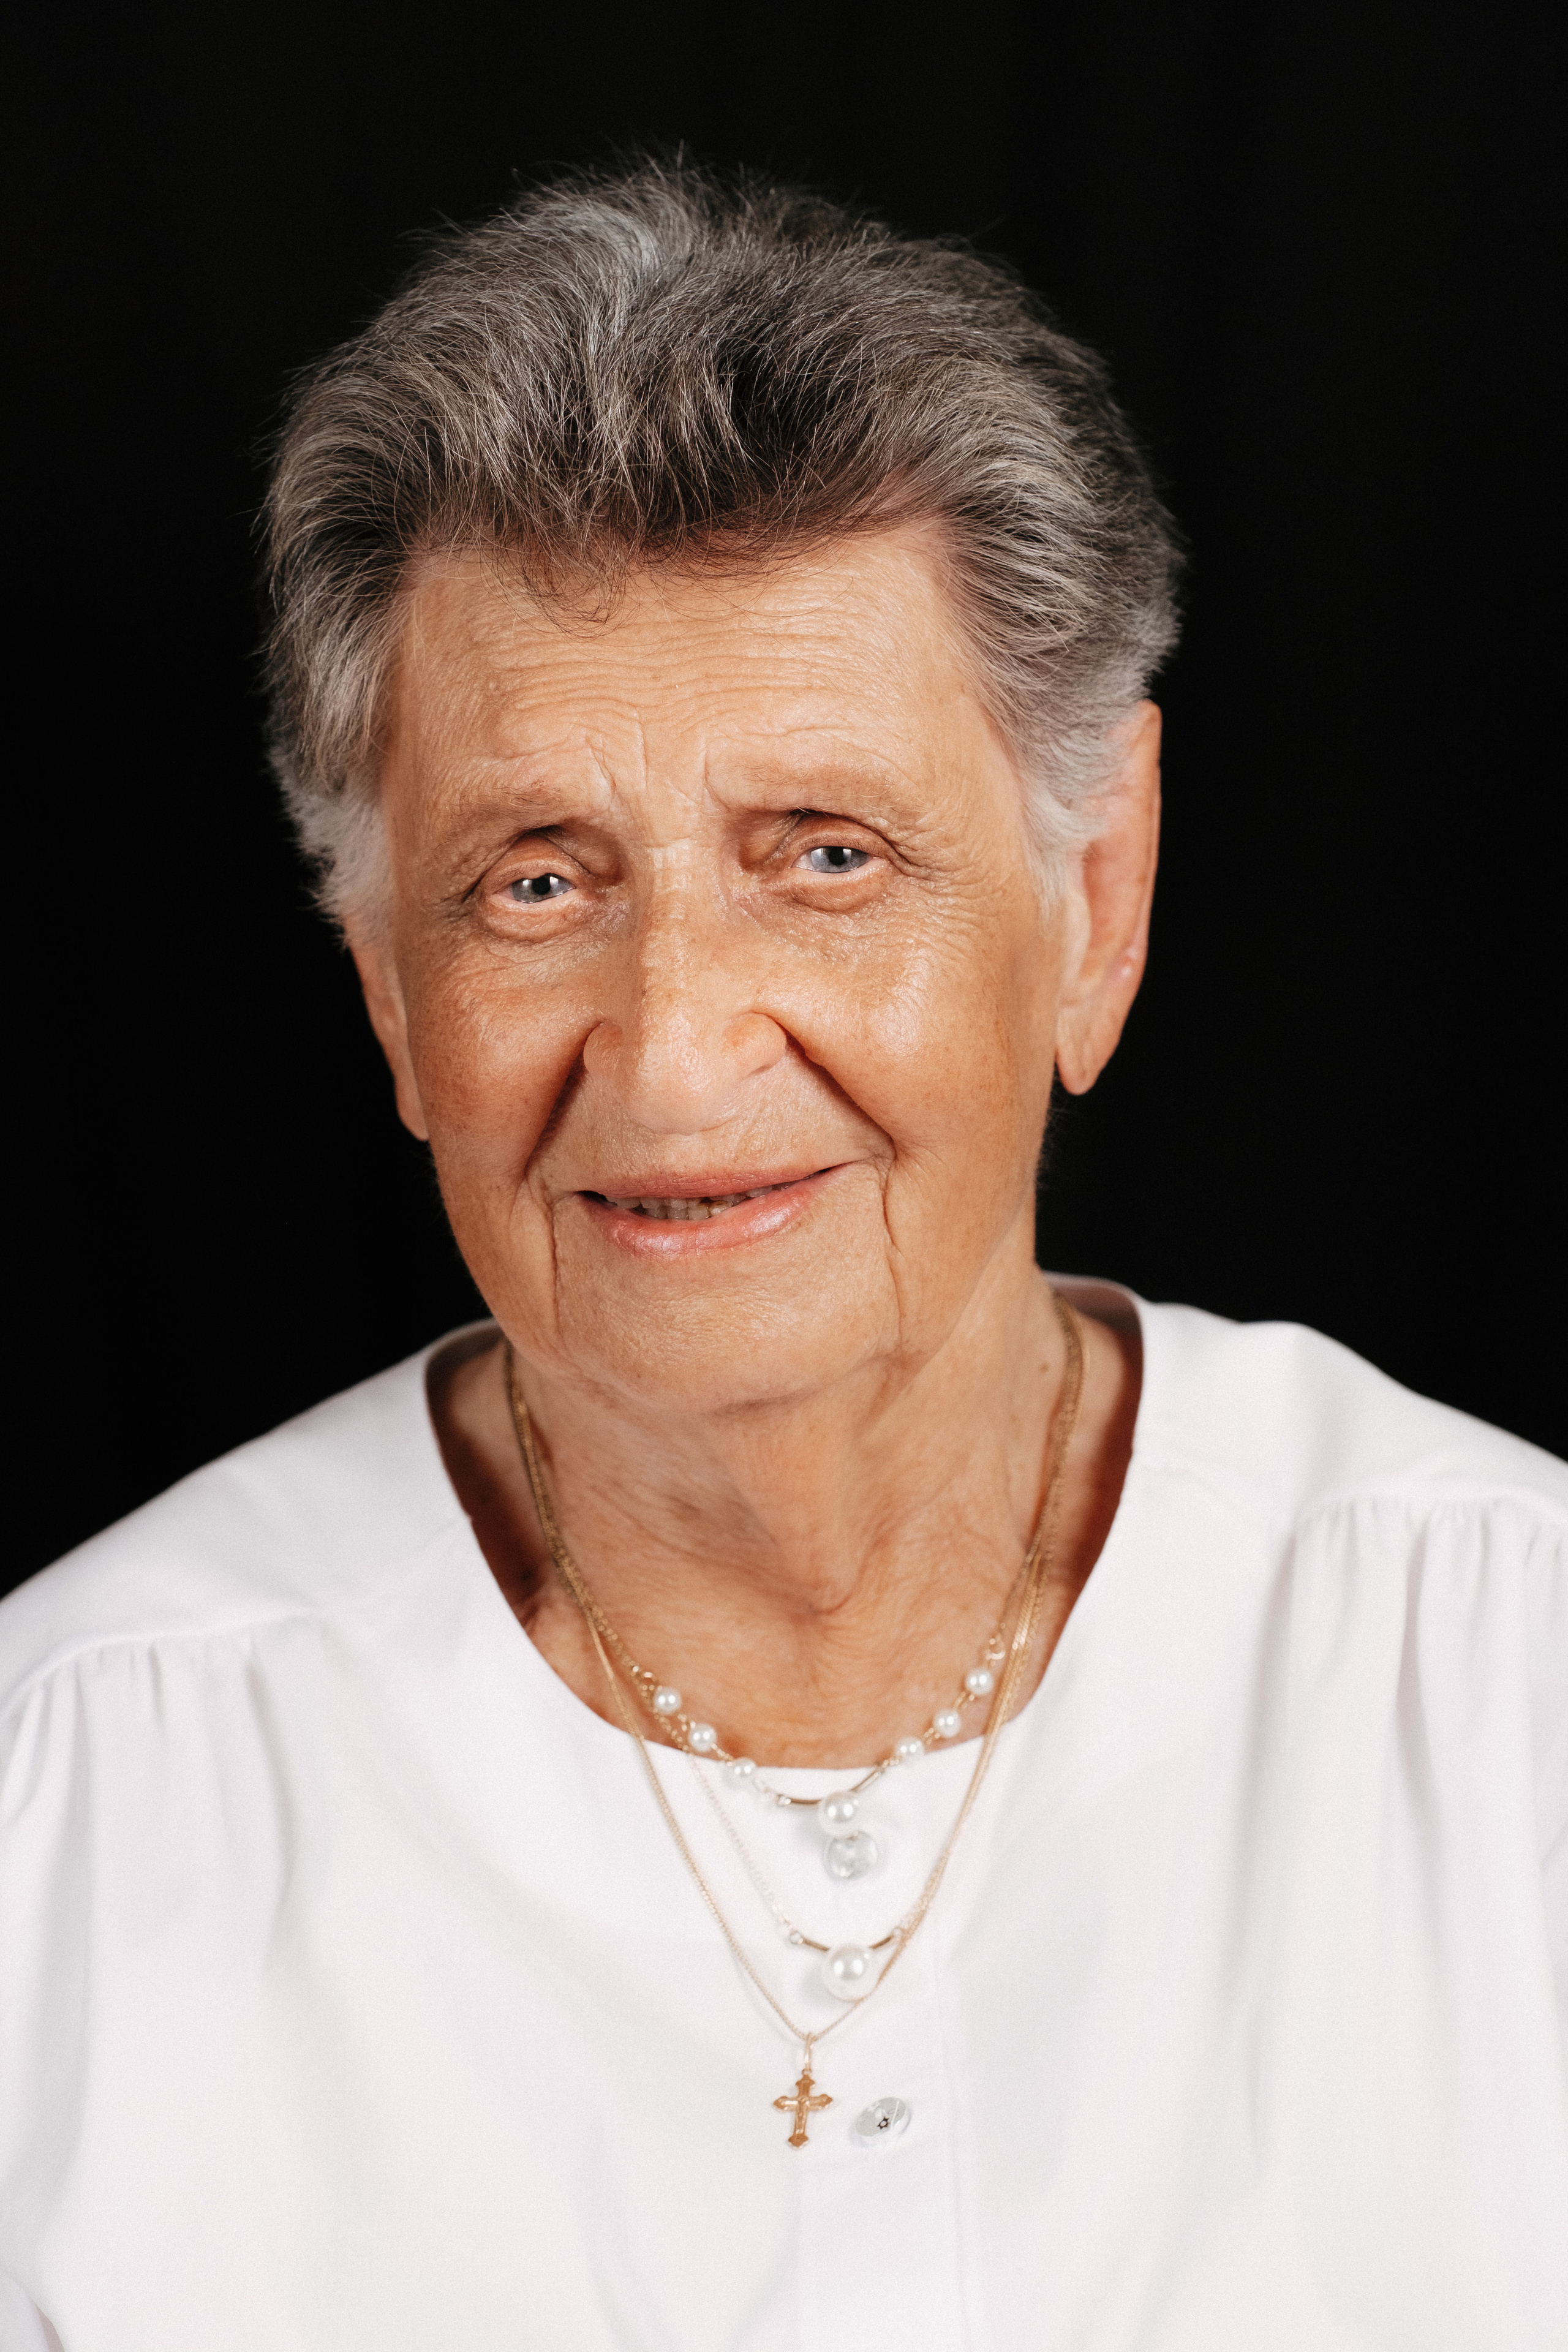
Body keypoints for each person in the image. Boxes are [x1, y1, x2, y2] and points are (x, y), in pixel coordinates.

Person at [1, 160, 1562, 2352]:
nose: (671, 1054)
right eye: (533, 884)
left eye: (825, 856)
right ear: (384, 992)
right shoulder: (59, 1804)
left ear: (1093, 902)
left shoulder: (1513, 1686)